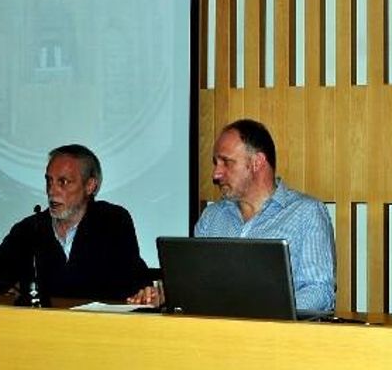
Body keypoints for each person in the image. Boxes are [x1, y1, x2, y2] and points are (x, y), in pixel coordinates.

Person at [130, 119, 336, 311]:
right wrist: (165, 295)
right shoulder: (211, 218)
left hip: (278, 342)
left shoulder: (306, 213)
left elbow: (319, 291)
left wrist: (260, 310)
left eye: (226, 162)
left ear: (257, 162)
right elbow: (196, 285)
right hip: (214, 341)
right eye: (215, 163)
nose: (216, 174)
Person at [0, 144, 150, 302]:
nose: (52, 191)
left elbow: (132, 276)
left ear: (90, 186)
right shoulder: (31, 229)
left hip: (101, 334)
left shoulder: (112, 221)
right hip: (41, 336)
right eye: (49, 181)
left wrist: (150, 292)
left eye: (63, 182)